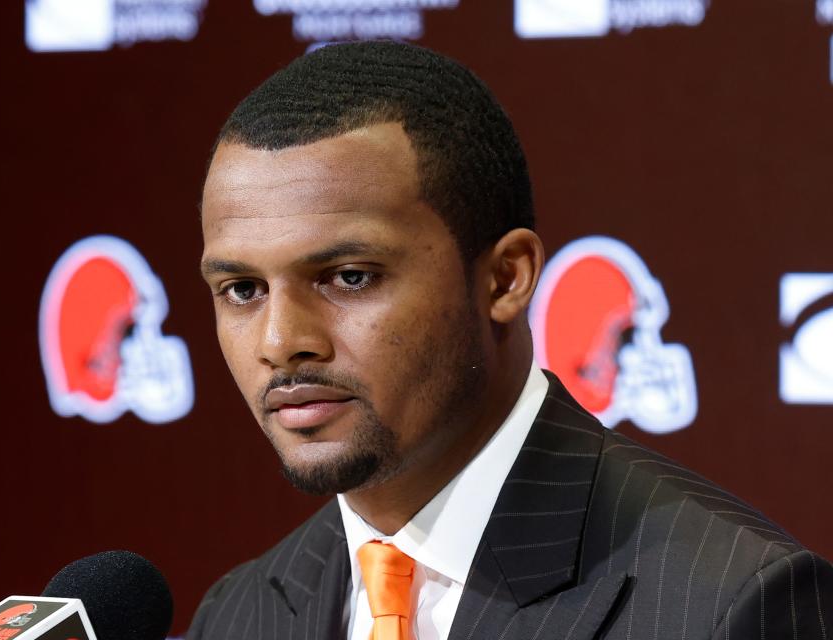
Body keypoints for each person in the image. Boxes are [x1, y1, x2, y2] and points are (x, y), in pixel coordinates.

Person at [188, 41, 832, 639]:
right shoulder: (237, 613)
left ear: (505, 278)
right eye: (243, 290)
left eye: (349, 277)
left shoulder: (731, 603)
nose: (281, 341)